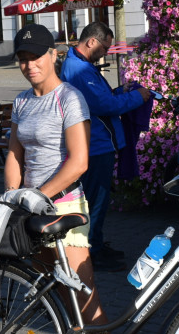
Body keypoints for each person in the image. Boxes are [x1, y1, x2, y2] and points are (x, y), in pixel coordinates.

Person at [5, 23, 123, 334]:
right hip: (32, 214)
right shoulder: (22, 102)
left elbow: (79, 161)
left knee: (85, 302)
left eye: (36, 56)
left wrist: (42, 194)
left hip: (64, 211)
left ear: (53, 54)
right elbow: (15, 156)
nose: (29, 65)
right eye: (22, 58)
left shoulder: (69, 99)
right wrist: (12, 197)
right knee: (58, 301)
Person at [60, 21, 150, 271]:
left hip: (97, 143)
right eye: (105, 47)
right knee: (94, 201)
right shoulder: (78, 69)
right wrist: (136, 97)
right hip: (95, 146)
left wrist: (122, 90)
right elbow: (104, 106)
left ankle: (95, 244)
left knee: (96, 200)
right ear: (91, 42)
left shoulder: (81, 65)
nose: (106, 52)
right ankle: (90, 254)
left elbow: (102, 98)